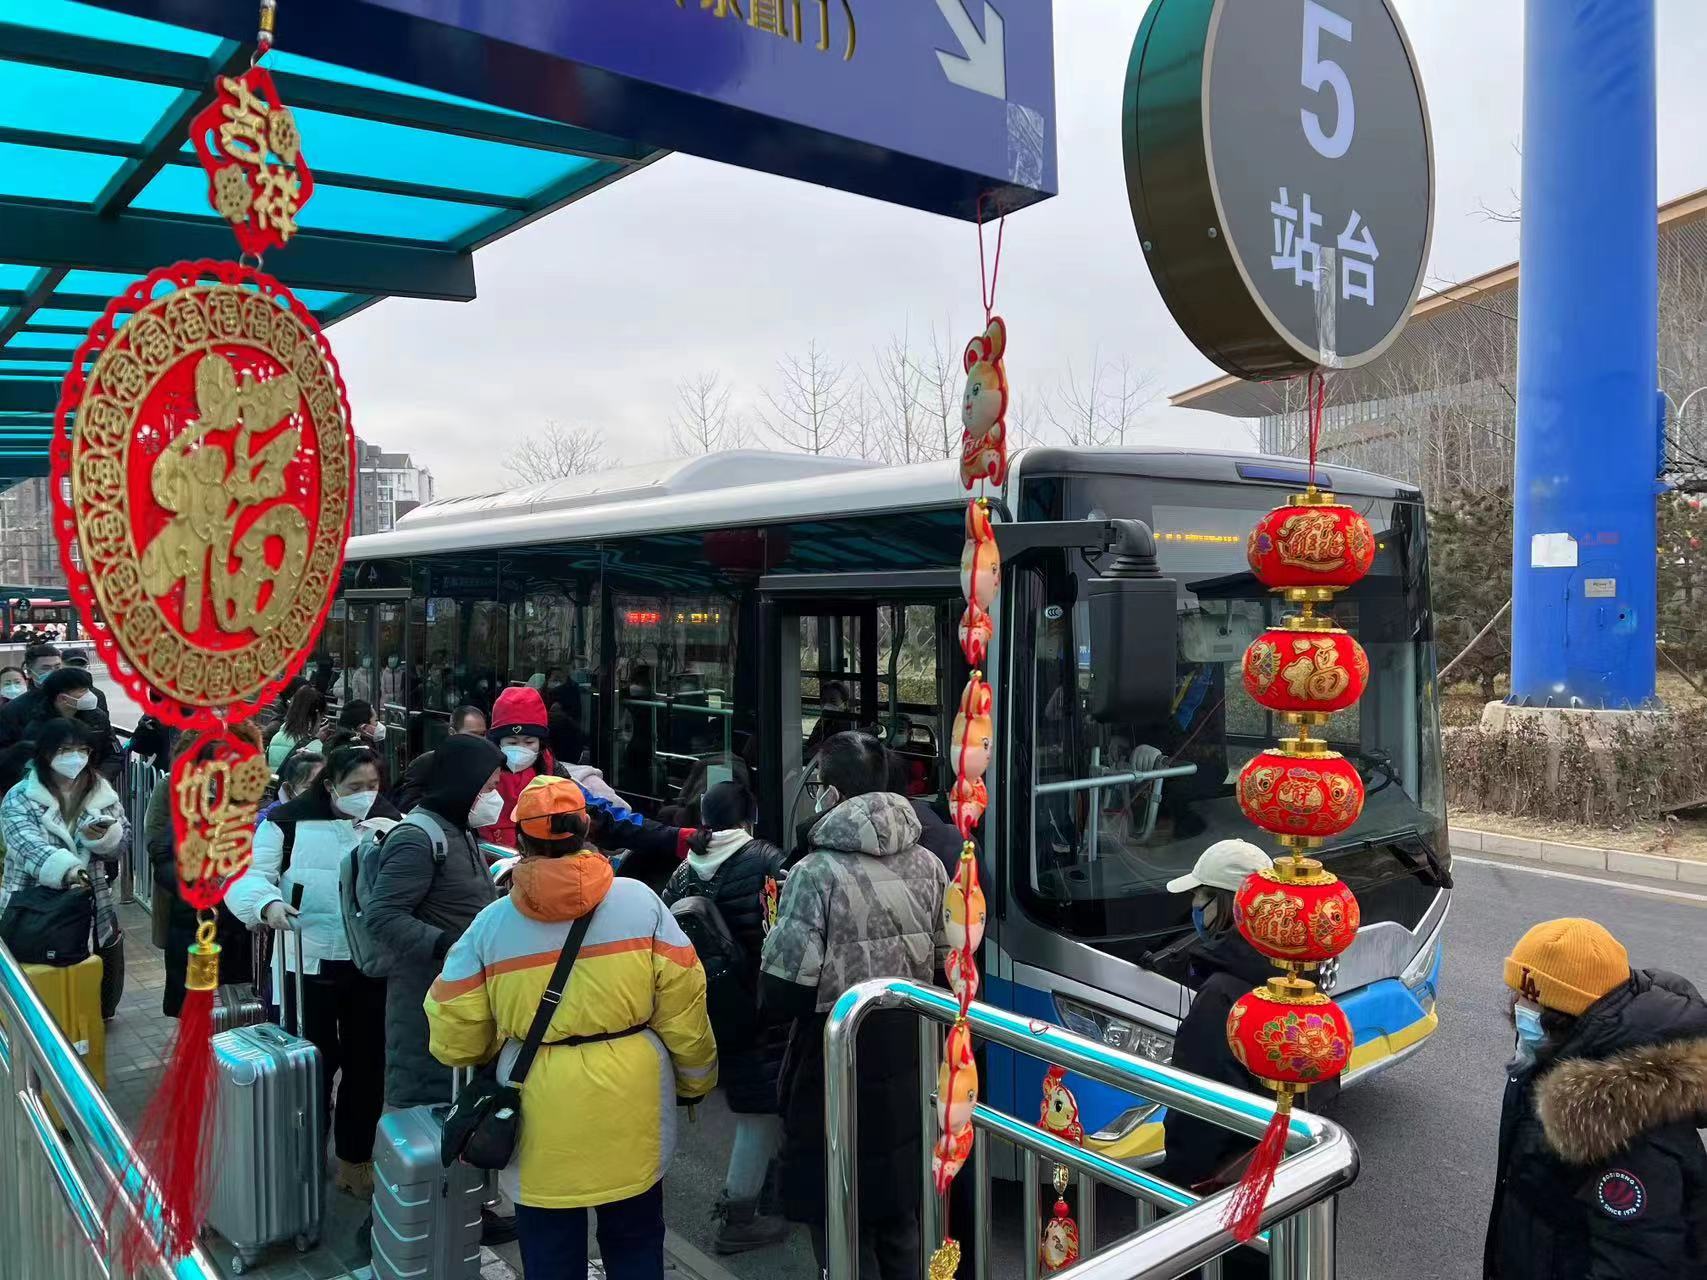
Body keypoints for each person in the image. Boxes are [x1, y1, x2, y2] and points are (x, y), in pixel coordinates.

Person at [427, 775, 717, 1280]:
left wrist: (503, 1042)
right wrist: (694, 1082)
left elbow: (455, 1036)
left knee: (549, 1249)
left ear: (520, 840)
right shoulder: (641, 903)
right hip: (633, 1096)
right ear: (586, 828)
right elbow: (685, 1007)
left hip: (537, 1098)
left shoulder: (490, 925)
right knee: (635, 1239)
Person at [758, 731, 948, 1280]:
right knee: (899, 1215)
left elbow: (785, 991)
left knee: (840, 1217)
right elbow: (946, 963)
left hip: (833, 1063)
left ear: (832, 793)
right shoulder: (930, 864)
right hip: (911, 1055)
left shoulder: (814, 872)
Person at [1483, 918, 1707, 1279]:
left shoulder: (1617, 1119)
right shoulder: (1551, 1059)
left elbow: (1638, 1262)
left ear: (1567, 1013)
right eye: (1518, 993)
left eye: (1532, 999)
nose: (1518, 1007)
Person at [227, 743, 397, 1201]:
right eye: (354, 786)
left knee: (367, 1066)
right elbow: (249, 877)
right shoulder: (285, 823)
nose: (365, 795)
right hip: (304, 962)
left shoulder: (390, 823)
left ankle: (355, 1159)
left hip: (368, 964)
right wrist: (267, 904)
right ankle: (302, 1157)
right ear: (330, 786)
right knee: (310, 1065)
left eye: (373, 785)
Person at [660, 780, 789, 1254]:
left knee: (762, 1103)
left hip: (710, 1006)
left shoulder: (681, 873)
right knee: (760, 1111)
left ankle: (776, 1194)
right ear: (749, 818)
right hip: (762, 1008)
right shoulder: (766, 859)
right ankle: (738, 1215)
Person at [1156, 840, 1293, 1208]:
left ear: (1229, 904)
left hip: (1225, 1192)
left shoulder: (1221, 995)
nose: (1194, 905)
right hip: (1277, 1173)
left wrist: (1176, 1187)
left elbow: (1199, 1111)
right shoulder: (1292, 973)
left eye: (1201, 894)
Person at [0, 720, 129, 1017]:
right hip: (33, 908)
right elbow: (26, 845)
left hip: (93, 905)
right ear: (46, 753)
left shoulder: (101, 792)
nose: (75, 757)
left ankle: (87, 1029)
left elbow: (123, 838)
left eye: (82, 750)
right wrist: (70, 870)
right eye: (65, 750)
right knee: (39, 989)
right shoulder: (21, 797)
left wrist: (105, 838)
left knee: (88, 986)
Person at [146, 726, 262, 1017]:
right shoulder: (175, 790)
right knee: (194, 1000)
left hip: (236, 917)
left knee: (235, 1000)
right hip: (191, 914)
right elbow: (157, 848)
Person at [390, 705, 486, 812]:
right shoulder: (426, 763)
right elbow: (407, 805)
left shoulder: (485, 765)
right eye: (472, 734)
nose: (479, 740)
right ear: (452, 732)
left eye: (482, 735)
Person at [0, 666, 101, 749]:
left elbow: (108, 752)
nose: (89, 695)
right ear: (63, 698)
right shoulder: (36, 727)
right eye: (83, 691)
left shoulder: (97, 717)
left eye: (57, 666)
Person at [257, 751, 325, 827]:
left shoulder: (330, 812)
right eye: (309, 787)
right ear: (290, 789)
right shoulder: (271, 817)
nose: (320, 791)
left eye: (323, 785)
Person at [267, 684, 327, 769]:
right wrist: (315, 741)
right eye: (321, 718)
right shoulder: (313, 748)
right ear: (317, 716)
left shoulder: (276, 738)